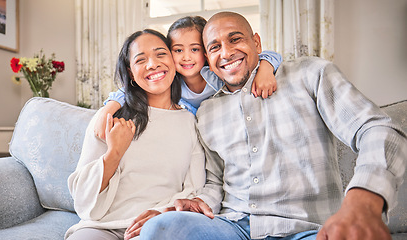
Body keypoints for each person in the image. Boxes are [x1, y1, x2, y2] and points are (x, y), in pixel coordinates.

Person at [139, 12, 407, 240]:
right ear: (208, 59)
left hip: (306, 228)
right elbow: (214, 182)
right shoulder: (207, 111)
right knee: (159, 229)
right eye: (214, 47)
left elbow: (377, 129)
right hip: (234, 227)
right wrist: (198, 204)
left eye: (235, 39)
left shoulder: (310, 74)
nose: (227, 52)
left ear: (256, 42)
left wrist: (364, 200)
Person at [65, 29, 206, 240]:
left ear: (174, 61)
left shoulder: (189, 121)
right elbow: (82, 197)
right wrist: (114, 153)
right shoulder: (110, 117)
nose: (152, 64)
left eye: (160, 54)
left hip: (158, 224)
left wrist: (162, 214)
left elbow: (194, 190)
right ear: (131, 72)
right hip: (101, 227)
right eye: (141, 60)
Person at [93, 16, 282, 140]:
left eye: (195, 49)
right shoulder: (171, 82)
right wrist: (109, 108)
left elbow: (266, 55)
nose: (186, 57)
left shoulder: (218, 75)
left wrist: (266, 68)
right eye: (178, 50)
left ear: (207, 52)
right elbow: (131, 89)